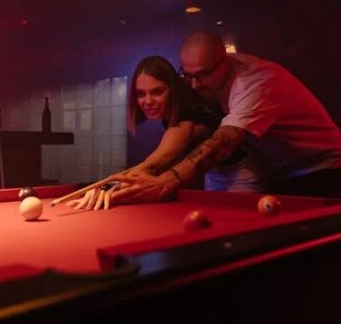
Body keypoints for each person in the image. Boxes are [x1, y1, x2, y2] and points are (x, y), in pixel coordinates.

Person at [102, 31, 341, 206]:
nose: (194, 85)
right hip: (280, 170)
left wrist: (166, 181)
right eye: (188, 75)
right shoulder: (202, 86)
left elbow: (224, 142)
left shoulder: (254, 84)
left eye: (202, 75)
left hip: (322, 168)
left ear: (225, 62)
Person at [66, 54, 269, 211]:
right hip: (213, 172)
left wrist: (103, 187)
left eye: (157, 92)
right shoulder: (176, 112)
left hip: (241, 174)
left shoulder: (186, 118)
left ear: (173, 90)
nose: (147, 101)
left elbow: (153, 166)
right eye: (140, 94)